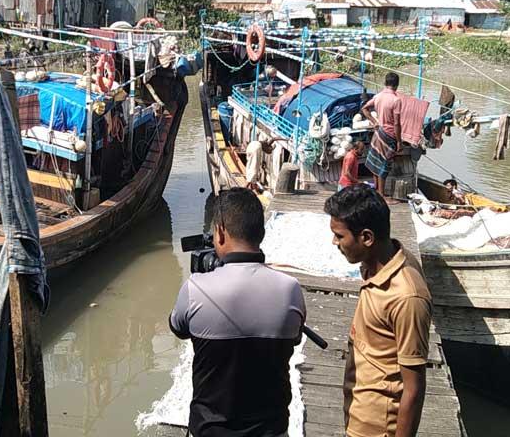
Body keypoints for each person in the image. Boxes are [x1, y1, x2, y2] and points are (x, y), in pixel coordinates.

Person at [170, 188, 306, 437]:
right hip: (272, 430)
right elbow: (295, 337)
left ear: (220, 232)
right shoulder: (291, 289)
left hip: (210, 430)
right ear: (261, 234)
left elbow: (178, 327)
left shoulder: (196, 288)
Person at [324, 185, 432, 437]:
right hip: (358, 412)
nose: (334, 243)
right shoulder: (374, 265)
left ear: (367, 238)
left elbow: (413, 389)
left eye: (340, 236)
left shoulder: (406, 296)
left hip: (378, 428)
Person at [361, 73, 402, 202]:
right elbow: (396, 123)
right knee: (384, 164)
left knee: (375, 163)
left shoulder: (378, 96)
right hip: (389, 135)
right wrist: (399, 141)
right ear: (396, 85)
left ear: (385, 83)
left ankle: (378, 192)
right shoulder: (396, 100)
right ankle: (382, 195)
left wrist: (375, 122)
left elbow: (364, 108)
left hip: (379, 133)